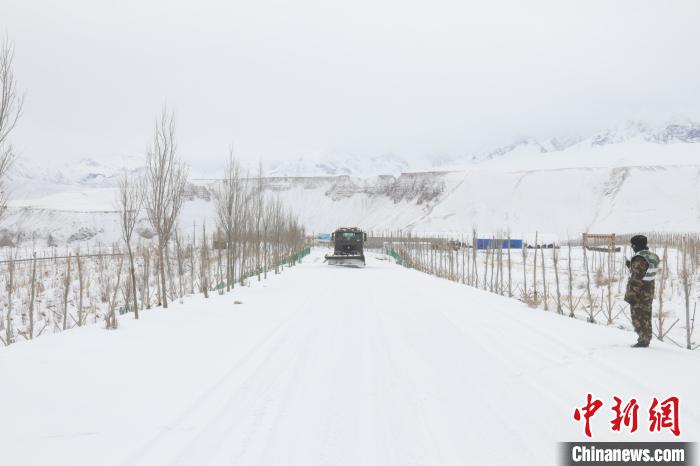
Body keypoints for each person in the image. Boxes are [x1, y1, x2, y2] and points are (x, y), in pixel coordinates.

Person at [624, 235, 660, 348]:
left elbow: (636, 278)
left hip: (639, 293)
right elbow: (645, 270)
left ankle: (643, 341)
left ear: (637, 245)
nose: (632, 247)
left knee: (638, 317)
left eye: (633, 245)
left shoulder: (639, 258)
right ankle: (645, 338)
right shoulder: (652, 256)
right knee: (646, 316)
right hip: (649, 291)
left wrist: (630, 294)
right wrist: (631, 265)